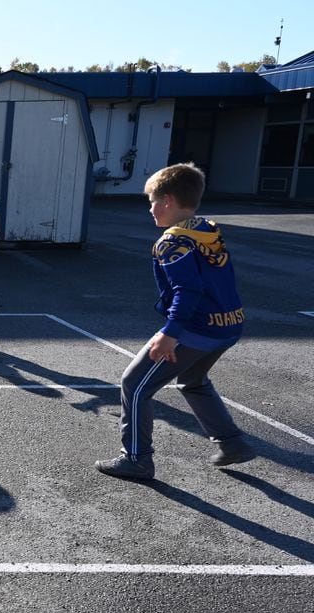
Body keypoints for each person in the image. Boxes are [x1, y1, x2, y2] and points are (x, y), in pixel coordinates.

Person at [94, 163, 255, 480]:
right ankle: (232, 442)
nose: (150, 209)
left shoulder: (172, 243)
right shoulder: (205, 229)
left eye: (152, 201)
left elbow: (188, 290)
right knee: (192, 380)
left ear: (167, 200)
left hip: (196, 329)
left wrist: (170, 333)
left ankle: (137, 458)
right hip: (228, 325)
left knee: (134, 384)